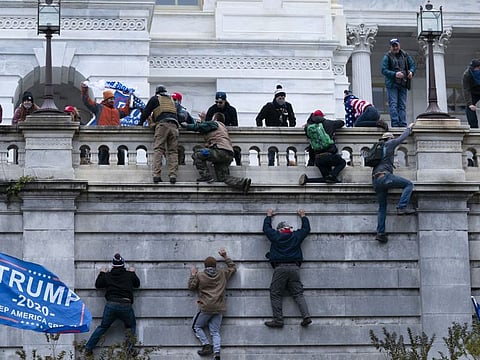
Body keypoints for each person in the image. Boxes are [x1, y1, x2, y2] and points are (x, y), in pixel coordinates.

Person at [262, 208, 312, 328]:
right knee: (298, 293)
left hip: (280, 268)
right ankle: (306, 316)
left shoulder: (276, 236)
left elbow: (266, 229)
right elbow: (306, 229)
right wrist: (303, 216)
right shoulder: (295, 236)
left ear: (279, 229)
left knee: (275, 293)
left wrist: (268, 216)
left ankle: (278, 320)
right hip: (294, 268)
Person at [180, 112, 252, 194]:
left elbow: (199, 127)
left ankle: (206, 176)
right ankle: (243, 183)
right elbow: (206, 128)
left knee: (197, 154)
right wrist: (203, 120)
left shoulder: (214, 123)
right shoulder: (223, 127)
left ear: (215, 119)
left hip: (219, 151)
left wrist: (187, 125)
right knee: (223, 177)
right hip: (228, 154)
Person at [85, 253, 141, 357]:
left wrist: (101, 273)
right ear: (123, 264)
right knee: (131, 326)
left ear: (113, 265)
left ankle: (88, 348)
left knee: (103, 327)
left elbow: (98, 285)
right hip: (126, 304)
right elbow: (137, 284)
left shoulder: (108, 276)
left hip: (111, 305)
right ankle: (129, 351)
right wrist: (133, 273)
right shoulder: (129, 275)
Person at [188, 248, 236, 360]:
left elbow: (191, 286)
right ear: (215, 266)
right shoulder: (223, 273)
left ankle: (206, 345)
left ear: (205, 266)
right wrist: (225, 256)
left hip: (206, 307)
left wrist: (193, 274)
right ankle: (217, 354)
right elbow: (233, 268)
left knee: (196, 326)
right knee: (215, 332)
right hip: (220, 307)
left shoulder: (200, 275)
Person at [372, 123, 416, 244]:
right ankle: (401, 207)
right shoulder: (390, 143)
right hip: (385, 177)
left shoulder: (378, 148)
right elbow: (401, 138)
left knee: (382, 207)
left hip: (375, 180)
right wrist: (409, 128)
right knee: (408, 184)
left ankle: (380, 233)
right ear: (390, 138)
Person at [138, 85, 179, 184]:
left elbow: (146, 112)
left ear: (157, 92)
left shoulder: (155, 99)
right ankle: (173, 175)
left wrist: (140, 123)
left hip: (163, 125)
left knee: (159, 149)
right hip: (174, 126)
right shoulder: (172, 101)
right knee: (173, 151)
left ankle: (157, 175)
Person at [298, 110, 346, 185]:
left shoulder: (308, 128)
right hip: (328, 155)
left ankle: (307, 180)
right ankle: (333, 175)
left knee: (327, 179)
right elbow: (341, 123)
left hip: (318, 159)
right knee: (342, 162)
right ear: (322, 116)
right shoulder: (328, 123)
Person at [256, 84, 297, 166]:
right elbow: (259, 118)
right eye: (280, 98)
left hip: (284, 133)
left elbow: (292, 118)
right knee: (271, 157)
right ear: (276, 98)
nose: (282, 100)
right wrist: (262, 130)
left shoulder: (287, 106)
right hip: (271, 134)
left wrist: (291, 128)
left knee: (285, 156)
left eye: (283, 98)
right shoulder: (269, 106)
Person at [381, 38, 415, 128]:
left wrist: (411, 72)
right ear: (391, 47)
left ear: (399, 45)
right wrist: (395, 74)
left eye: (396, 45)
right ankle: (395, 124)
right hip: (392, 84)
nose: (395, 47)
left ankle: (403, 124)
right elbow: (383, 70)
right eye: (393, 46)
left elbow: (412, 65)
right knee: (393, 104)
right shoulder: (387, 56)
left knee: (402, 105)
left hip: (403, 83)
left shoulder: (405, 55)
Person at [204, 91, 241, 165]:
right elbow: (207, 123)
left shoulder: (231, 110)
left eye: (220, 102)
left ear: (224, 101)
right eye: (216, 102)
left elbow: (235, 124)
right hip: (216, 135)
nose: (218, 104)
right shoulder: (212, 109)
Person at [172, 91, 195, 165]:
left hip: (181, 140)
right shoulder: (166, 111)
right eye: (171, 99)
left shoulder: (184, 113)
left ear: (179, 101)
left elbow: (193, 124)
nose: (173, 102)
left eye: (175, 100)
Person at [462, 58, 480, 128]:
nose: (472, 70)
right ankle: (474, 127)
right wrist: (470, 104)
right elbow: (466, 89)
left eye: (474, 69)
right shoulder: (467, 74)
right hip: (474, 91)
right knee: (468, 108)